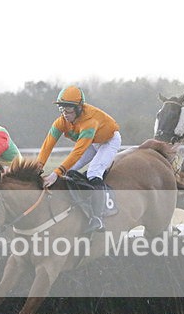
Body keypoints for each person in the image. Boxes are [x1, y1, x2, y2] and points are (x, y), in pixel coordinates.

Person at [35, 86, 121, 232]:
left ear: (79, 108)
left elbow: (78, 151)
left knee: (94, 172)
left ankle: (97, 218)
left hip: (108, 141)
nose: (64, 113)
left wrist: (56, 172)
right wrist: (38, 167)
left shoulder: (89, 122)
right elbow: (47, 145)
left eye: (68, 108)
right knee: (69, 171)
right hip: (93, 141)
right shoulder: (61, 122)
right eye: (62, 108)